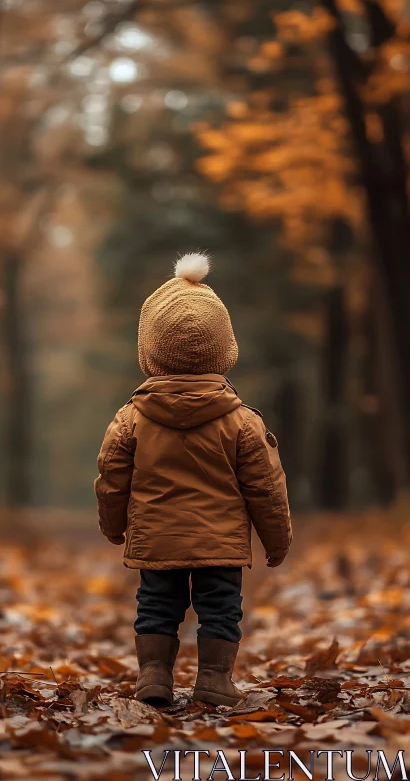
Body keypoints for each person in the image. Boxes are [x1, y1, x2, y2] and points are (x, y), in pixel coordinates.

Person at [95, 253, 292, 707]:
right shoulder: (241, 422)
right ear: (223, 349)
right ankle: (214, 680)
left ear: (150, 350)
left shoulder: (132, 419)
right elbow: (267, 487)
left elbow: (111, 477)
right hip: (219, 544)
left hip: (157, 540)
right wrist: (276, 540)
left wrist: (112, 525)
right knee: (221, 609)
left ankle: (154, 678)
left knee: (156, 606)